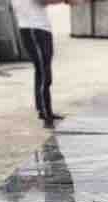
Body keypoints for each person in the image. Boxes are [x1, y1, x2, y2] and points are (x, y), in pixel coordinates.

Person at [13, 0, 66, 129]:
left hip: (36, 29)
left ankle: (44, 111)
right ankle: (46, 116)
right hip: (35, 30)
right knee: (44, 74)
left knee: (41, 71)